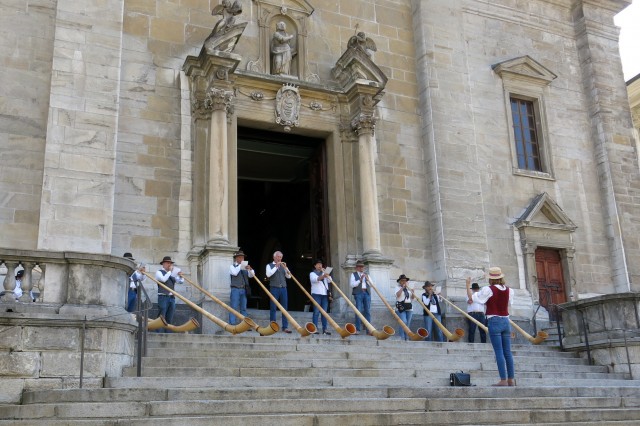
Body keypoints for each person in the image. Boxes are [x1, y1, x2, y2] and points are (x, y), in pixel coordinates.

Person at [466, 267, 515, 387]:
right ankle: (511, 380)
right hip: (506, 320)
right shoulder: (510, 290)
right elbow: (509, 304)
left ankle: (503, 379)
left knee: (499, 351)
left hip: (494, 320)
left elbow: (473, 298)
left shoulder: (488, 289)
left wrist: (468, 285)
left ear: (491, 279)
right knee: (507, 352)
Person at [155, 256, 184, 332]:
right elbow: (163, 279)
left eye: (170, 263)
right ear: (163, 264)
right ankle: (158, 333)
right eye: (168, 263)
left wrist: (181, 276)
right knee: (162, 316)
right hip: (163, 297)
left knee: (169, 317)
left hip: (171, 297)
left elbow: (180, 281)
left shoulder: (171, 274)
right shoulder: (159, 272)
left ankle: (167, 334)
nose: (169, 265)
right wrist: (170, 272)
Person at [266, 251, 292, 333]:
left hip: (283, 288)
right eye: (278, 257)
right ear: (274, 257)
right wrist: (276, 267)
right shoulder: (269, 265)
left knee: (284, 308)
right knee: (273, 307)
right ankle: (272, 326)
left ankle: (285, 327)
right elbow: (268, 275)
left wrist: (286, 269)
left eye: (280, 257)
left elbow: (289, 277)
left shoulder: (283, 266)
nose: (279, 259)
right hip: (274, 288)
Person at [229, 250, 254, 325]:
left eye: (242, 257)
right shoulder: (232, 266)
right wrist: (241, 266)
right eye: (240, 257)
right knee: (234, 307)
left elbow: (252, 275)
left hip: (243, 290)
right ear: (236, 258)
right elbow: (235, 273)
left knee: (243, 308)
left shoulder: (245, 268)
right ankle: (232, 323)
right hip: (235, 289)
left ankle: (244, 324)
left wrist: (250, 269)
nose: (242, 259)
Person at [309, 259, 332, 335]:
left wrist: (327, 274)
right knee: (316, 312)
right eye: (318, 264)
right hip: (316, 294)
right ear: (315, 266)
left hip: (324, 294)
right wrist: (323, 275)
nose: (320, 266)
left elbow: (330, 281)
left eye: (321, 264)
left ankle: (324, 329)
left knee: (324, 312)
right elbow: (315, 279)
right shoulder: (312, 273)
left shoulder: (324, 273)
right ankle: (314, 328)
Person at [349, 260, 371, 335]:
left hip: (366, 293)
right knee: (358, 311)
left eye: (362, 267)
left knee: (367, 311)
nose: (362, 268)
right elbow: (352, 285)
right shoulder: (353, 274)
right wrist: (360, 280)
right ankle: (357, 329)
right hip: (358, 293)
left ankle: (369, 330)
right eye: (360, 267)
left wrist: (367, 279)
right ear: (357, 268)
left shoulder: (366, 274)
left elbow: (372, 284)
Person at [394, 274, 415, 341]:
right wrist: (402, 288)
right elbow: (397, 295)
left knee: (408, 323)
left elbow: (412, 298)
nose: (404, 282)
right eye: (402, 281)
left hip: (409, 306)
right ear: (400, 281)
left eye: (405, 281)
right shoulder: (397, 287)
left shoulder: (408, 289)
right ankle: (402, 337)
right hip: (401, 307)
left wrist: (413, 292)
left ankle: (407, 337)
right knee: (403, 322)